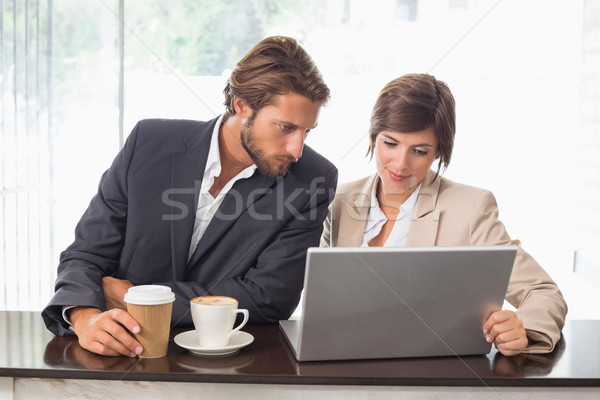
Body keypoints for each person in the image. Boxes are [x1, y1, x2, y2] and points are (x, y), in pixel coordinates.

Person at [42, 36, 338, 357]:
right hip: (120, 354)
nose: (297, 148)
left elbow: (269, 297)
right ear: (242, 105)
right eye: (285, 127)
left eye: (307, 131)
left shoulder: (313, 178)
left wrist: (138, 297)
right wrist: (84, 317)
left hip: (228, 362)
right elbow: (85, 255)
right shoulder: (149, 142)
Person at [321, 73, 567, 356]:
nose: (400, 164)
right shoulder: (338, 201)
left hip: (432, 367)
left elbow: (544, 292)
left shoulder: (471, 208)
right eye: (390, 143)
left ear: (439, 152)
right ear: (374, 137)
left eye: (420, 151)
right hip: (344, 358)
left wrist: (522, 325)